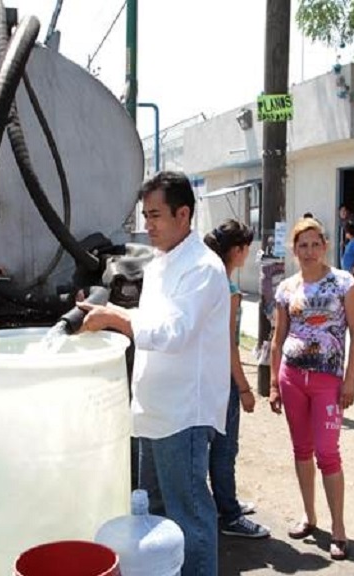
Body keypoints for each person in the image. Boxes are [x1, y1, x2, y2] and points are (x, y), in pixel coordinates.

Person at [79, 171, 231, 576]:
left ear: (184, 214)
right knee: (156, 514)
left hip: (184, 415)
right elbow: (149, 320)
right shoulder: (164, 262)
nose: (148, 226)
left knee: (190, 515)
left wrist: (117, 319)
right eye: (145, 216)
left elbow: (175, 332)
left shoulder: (203, 268)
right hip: (154, 410)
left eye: (156, 215)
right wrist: (112, 315)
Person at [269, 217, 354, 561]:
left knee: (328, 451)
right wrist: (274, 386)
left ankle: (338, 529)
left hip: (327, 382)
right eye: (302, 245)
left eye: (314, 244)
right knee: (301, 450)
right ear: (294, 250)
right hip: (291, 379)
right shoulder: (286, 289)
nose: (308, 251)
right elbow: (278, 338)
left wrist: (350, 380)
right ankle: (310, 517)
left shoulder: (343, 283)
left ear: (325, 245)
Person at [202, 219, 271, 539]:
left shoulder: (212, 280)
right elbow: (229, 344)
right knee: (225, 448)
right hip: (223, 378)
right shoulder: (228, 289)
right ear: (239, 251)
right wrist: (244, 388)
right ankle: (229, 515)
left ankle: (225, 502)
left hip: (207, 374)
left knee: (217, 447)